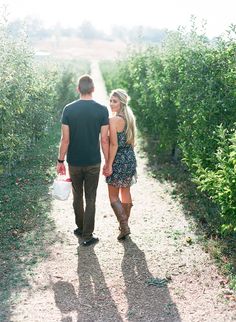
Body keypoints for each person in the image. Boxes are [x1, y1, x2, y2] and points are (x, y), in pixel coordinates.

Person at [57, 74, 109, 246]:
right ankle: (87, 235)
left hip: (74, 162)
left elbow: (65, 139)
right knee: (91, 198)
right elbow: (104, 140)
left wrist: (60, 160)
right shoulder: (102, 110)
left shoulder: (69, 109)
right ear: (93, 89)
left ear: (78, 89)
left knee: (77, 196)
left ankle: (80, 228)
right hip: (93, 161)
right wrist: (108, 162)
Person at [104, 89, 137, 240]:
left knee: (113, 196)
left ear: (121, 103)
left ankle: (124, 226)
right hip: (129, 158)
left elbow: (114, 145)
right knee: (125, 191)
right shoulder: (129, 118)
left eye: (114, 101)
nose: (111, 103)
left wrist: (109, 164)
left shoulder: (114, 120)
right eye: (110, 100)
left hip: (118, 160)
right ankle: (124, 226)